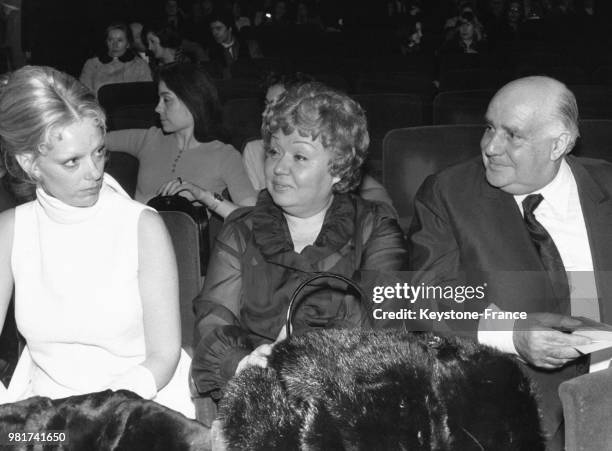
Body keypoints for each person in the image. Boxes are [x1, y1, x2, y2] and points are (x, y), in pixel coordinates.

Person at [407, 76, 612, 449]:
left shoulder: (607, 186)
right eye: (489, 127)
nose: (490, 146)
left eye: (512, 135)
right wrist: (513, 332)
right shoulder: (448, 194)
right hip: (514, 414)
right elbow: (424, 298)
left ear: (559, 145)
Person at [191, 82, 407, 411]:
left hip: (347, 403)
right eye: (275, 151)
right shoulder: (242, 230)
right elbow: (213, 319)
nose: (279, 167)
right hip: (257, 400)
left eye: (300, 156)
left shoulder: (375, 228)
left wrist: (299, 361)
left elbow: (383, 328)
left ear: (338, 168)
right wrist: (244, 363)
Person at [0, 65, 194, 417]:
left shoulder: (141, 226)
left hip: (134, 407)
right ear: (30, 163)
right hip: (46, 412)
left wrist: (94, 416)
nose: (94, 171)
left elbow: (164, 357)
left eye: (99, 151)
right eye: (72, 161)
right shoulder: (11, 230)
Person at [106, 63, 257, 217]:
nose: (157, 108)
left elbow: (250, 218)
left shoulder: (225, 156)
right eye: (159, 99)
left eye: (166, 100)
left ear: (192, 100)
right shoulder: (149, 139)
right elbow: (95, 139)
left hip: (188, 238)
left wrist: (203, 196)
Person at [242, 75, 398, 216]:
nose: (274, 111)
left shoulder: (329, 149)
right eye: (269, 104)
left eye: (284, 103)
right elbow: (251, 207)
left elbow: (378, 197)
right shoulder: (256, 150)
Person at [79, 22, 152, 97]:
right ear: (106, 42)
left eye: (120, 40)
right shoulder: (92, 64)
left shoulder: (140, 65)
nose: (115, 45)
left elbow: (145, 94)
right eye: (110, 40)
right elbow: (84, 94)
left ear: (128, 44)